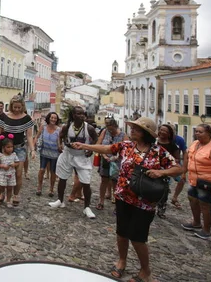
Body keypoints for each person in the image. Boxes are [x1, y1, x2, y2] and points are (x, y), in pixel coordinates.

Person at [72, 117, 181, 282]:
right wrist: (85, 146)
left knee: (138, 238)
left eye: (136, 129)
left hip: (144, 202)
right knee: (121, 233)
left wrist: (161, 172)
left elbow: (178, 168)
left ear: (145, 133)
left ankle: (146, 272)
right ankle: (121, 261)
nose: (132, 131)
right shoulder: (127, 146)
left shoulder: (158, 152)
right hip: (123, 197)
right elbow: (107, 148)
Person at [0, 95, 36, 207]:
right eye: (15, 107)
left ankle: (16, 194)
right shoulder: (4, 116)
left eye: (19, 107)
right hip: (5, 149)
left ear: (22, 106)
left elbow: (29, 136)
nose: (17, 110)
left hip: (19, 148)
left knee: (18, 173)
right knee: (4, 173)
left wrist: (32, 150)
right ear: (11, 106)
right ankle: (2, 193)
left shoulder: (26, 118)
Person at [49, 106, 98, 219]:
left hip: (81, 156)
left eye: (82, 114)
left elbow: (96, 139)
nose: (81, 116)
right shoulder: (67, 126)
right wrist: (60, 145)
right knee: (62, 178)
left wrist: (90, 150)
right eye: (78, 114)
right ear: (73, 115)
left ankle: (87, 207)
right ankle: (60, 200)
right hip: (68, 154)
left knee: (86, 182)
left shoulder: (89, 128)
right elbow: (60, 137)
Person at [182, 124, 211, 240]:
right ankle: (196, 222)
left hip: (207, 181)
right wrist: (184, 172)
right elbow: (188, 157)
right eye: (196, 131)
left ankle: (206, 230)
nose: (197, 133)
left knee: (205, 205)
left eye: (200, 132)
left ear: (209, 134)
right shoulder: (195, 144)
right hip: (193, 179)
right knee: (193, 200)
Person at [95, 119, 125, 210]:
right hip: (105, 160)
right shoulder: (105, 132)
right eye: (109, 129)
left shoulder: (123, 135)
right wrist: (104, 155)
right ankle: (101, 201)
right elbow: (99, 144)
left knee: (115, 182)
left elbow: (126, 149)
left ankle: (117, 203)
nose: (110, 131)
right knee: (104, 180)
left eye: (112, 129)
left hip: (117, 162)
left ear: (116, 127)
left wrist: (116, 157)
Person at [35, 112, 62, 197]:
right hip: (44, 152)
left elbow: (59, 141)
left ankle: (51, 189)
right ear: (48, 118)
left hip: (54, 154)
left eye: (55, 118)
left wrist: (60, 147)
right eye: (52, 117)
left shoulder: (59, 130)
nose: (53, 119)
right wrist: (34, 144)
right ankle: (39, 187)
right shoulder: (43, 127)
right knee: (42, 169)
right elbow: (37, 136)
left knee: (53, 172)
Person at [0, 137, 20, 208]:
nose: (10, 149)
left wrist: (14, 165)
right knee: (0, 187)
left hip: (11, 174)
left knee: (9, 188)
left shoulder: (14, 155)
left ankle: (8, 200)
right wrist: (2, 166)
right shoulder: (0, 155)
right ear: (3, 147)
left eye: (11, 147)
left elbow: (17, 163)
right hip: (2, 175)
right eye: (8, 147)